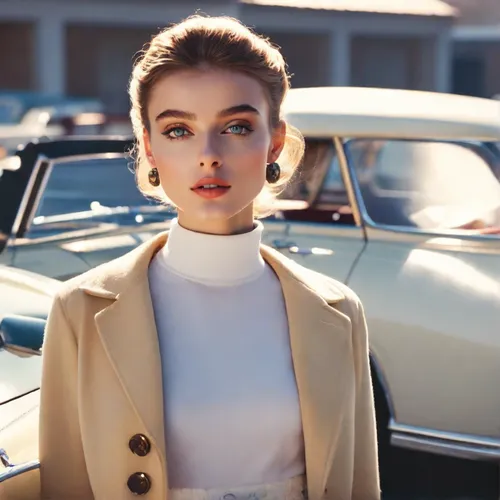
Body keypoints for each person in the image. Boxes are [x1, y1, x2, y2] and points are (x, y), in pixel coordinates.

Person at [39, 15, 380, 500]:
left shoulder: (339, 310)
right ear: (150, 148)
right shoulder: (81, 309)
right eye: (178, 130)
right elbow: (66, 486)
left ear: (275, 142)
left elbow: (358, 483)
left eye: (237, 126)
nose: (209, 154)